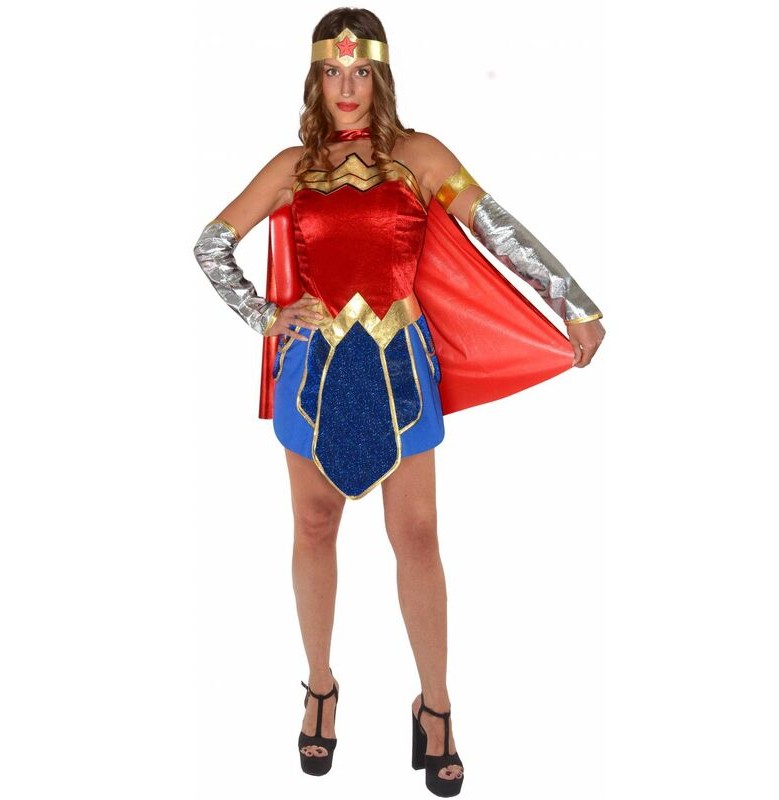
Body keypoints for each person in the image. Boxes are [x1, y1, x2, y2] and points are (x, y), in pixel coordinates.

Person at [193, 7, 604, 796]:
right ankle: (320, 688)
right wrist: (265, 316)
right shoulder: (292, 166)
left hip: (401, 373)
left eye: (360, 72)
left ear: (380, 76)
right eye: (332, 71)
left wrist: (574, 304)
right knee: (315, 526)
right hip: (312, 376)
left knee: (416, 536)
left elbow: (500, 232)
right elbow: (212, 245)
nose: (346, 87)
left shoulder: (418, 156)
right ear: (315, 78)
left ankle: (435, 706)